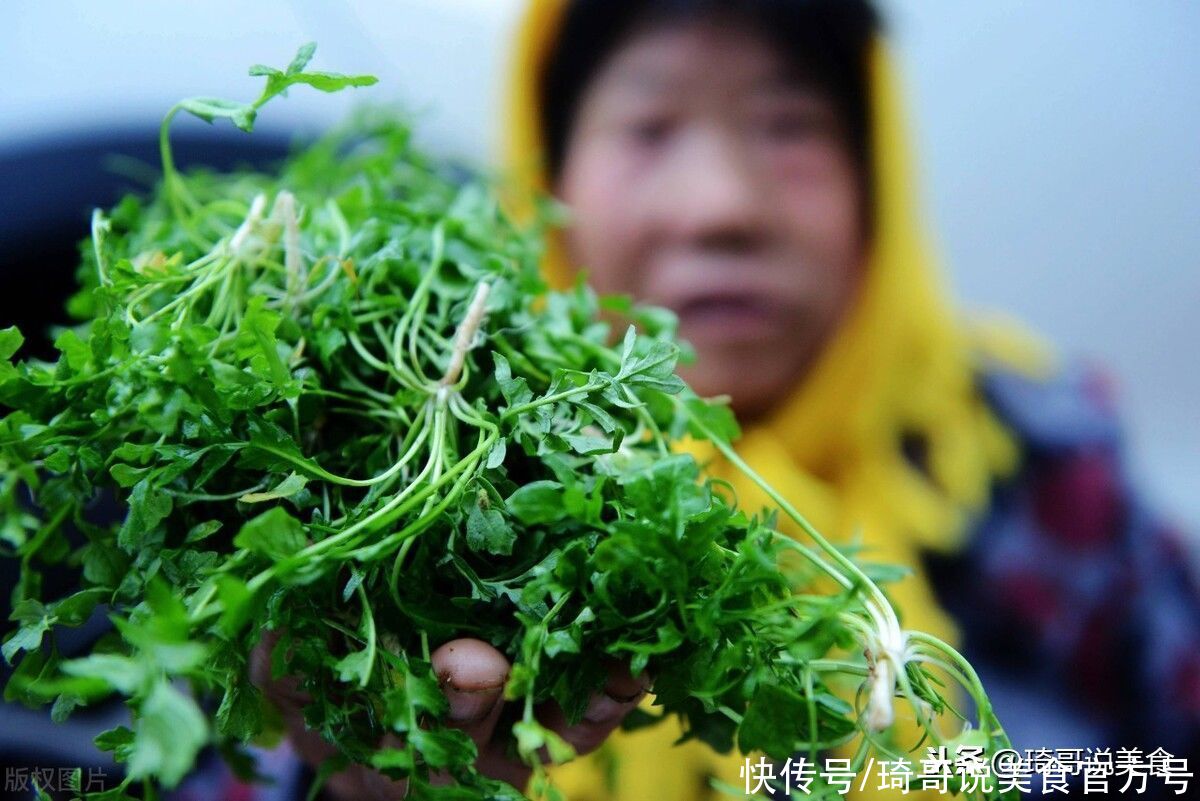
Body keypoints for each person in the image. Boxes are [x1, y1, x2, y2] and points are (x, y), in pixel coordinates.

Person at [174, 1, 1200, 799]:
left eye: (789, 126)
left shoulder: (1029, 454)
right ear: (549, 175)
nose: (723, 207)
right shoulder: (404, 489)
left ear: (874, 173)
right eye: (650, 127)